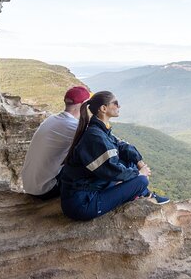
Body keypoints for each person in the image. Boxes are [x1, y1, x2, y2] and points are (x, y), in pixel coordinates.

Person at [59, 90, 169, 221]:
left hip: (90, 188)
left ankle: (144, 193)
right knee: (141, 181)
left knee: (130, 162)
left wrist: (138, 161)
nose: (119, 106)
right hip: (82, 203)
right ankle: (144, 194)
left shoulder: (100, 128)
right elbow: (112, 171)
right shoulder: (95, 136)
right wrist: (140, 174)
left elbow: (121, 146)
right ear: (103, 108)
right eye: (115, 103)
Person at [20, 85, 92, 199]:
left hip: (28, 185)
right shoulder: (73, 126)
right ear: (84, 105)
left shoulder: (51, 119)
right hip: (45, 189)